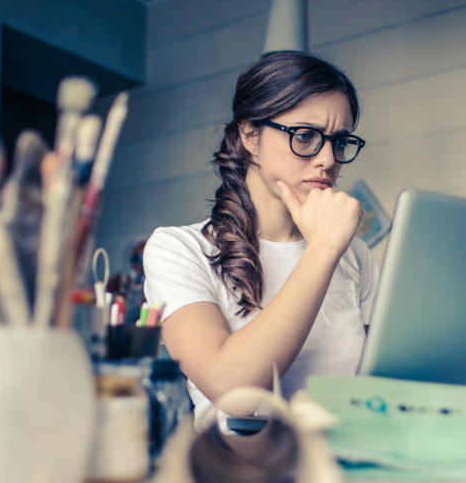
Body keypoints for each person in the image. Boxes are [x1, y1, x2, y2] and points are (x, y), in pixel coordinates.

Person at [142, 51, 378, 424]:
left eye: (339, 141)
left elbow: (376, 391)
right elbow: (235, 394)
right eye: (305, 136)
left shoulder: (356, 255)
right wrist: (323, 249)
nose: (328, 160)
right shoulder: (179, 249)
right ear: (250, 135)